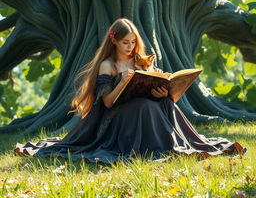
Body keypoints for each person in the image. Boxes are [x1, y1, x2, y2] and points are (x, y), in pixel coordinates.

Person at [15, 18, 245, 163]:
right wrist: (123, 82)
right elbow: (106, 103)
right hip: (116, 115)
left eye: (133, 42)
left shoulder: (140, 60)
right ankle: (154, 148)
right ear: (114, 41)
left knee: (161, 103)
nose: (131, 47)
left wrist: (162, 91)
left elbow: (166, 95)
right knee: (144, 106)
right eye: (125, 42)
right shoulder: (108, 65)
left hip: (142, 106)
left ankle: (170, 145)